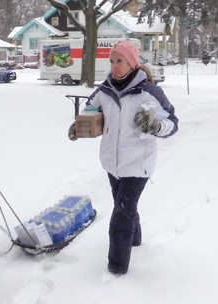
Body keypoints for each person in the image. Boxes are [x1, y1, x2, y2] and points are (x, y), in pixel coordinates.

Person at [69, 41, 178, 275]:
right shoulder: (105, 90)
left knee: (121, 212)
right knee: (125, 206)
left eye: (120, 61)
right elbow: (90, 109)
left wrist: (156, 125)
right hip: (112, 163)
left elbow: (173, 124)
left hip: (138, 164)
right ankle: (135, 239)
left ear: (132, 63)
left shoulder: (149, 91)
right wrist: (78, 127)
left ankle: (117, 266)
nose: (115, 66)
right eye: (112, 61)